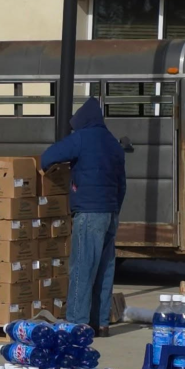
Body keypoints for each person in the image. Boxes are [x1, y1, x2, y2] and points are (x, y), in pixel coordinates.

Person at [40, 97, 126, 338]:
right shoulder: (113, 143)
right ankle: (100, 323)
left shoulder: (82, 138)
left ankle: (76, 323)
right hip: (111, 213)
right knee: (104, 270)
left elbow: (48, 156)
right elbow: (123, 184)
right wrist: (114, 209)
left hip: (89, 212)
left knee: (82, 268)